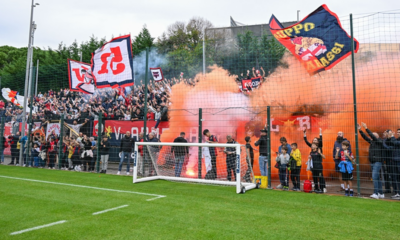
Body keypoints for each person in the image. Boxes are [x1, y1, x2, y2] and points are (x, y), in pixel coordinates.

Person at [358, 123, 385, 199]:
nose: (371, 137)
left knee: (374, 176)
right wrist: (360, 130)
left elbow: (372, 136)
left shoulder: (380, 141)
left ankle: (376, 193)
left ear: (376, 136)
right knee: (377, 177)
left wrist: (366, 128)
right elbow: (365, 138)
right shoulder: (372, 142)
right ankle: (380, 193)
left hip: (378, 161)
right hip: (372, 161)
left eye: (373, 136)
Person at [382, 129, 400, 199]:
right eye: (398, 132)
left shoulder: (396, 140)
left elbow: (395, 143)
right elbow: (389, 146)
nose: (398, 133)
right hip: (394, 161)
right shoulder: (396, 139)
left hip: (398, 161)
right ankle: (397, 193)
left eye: (399, 132)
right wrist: (387, 138)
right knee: (395, 177)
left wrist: (391, 136)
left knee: (398, 178)